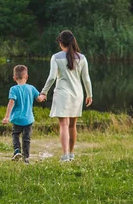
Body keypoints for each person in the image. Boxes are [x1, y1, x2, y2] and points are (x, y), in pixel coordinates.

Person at [38, 30, 93, 162]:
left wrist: (44, 92)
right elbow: (86, 79)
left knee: (63, 125)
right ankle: (71, 154)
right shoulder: (82, 58)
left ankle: (65, 155)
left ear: (61, 43)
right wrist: (89, 94)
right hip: (77, 94)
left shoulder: (56, 57)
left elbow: (51, 77)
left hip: (62, 93)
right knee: (72, 125)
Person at [2, 65, 41, 164]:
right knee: (26, 138)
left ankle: (17, 150)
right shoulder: (31, 88)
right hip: (28, 119)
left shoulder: (13, 89)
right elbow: (39, 99)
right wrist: (44, 95)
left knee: (15, 135)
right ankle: (26, 158)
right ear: (27, 76)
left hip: (17, 119)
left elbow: (11, 102)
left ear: (14, 78)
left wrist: (7, 117)